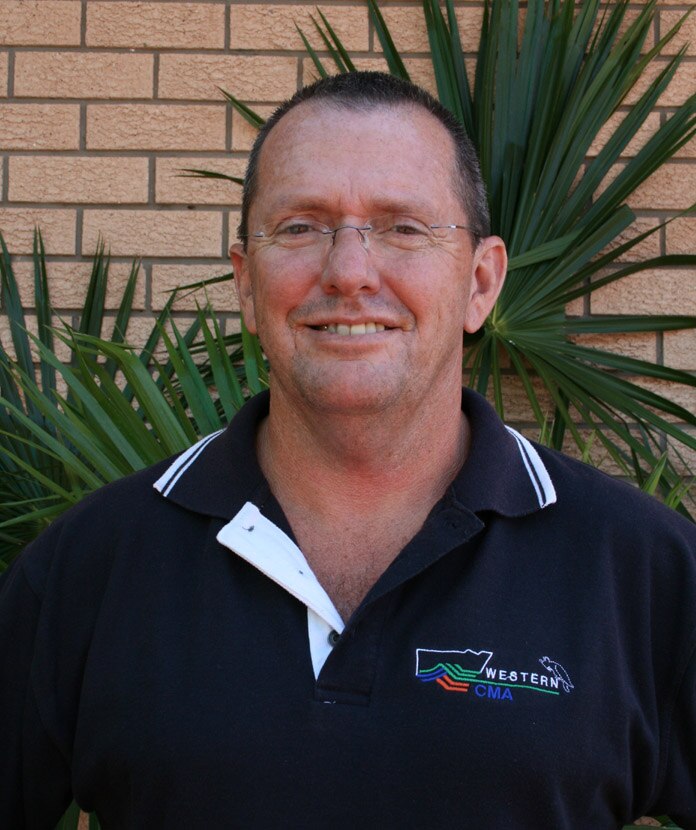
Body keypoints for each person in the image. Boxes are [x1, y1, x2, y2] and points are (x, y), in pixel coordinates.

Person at [1, 71, 695, 829]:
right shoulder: (91, 565)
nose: (350, 273)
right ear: (245, 282)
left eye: (404, 228)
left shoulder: (639, 567)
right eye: (301, 227)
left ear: (480, 282)